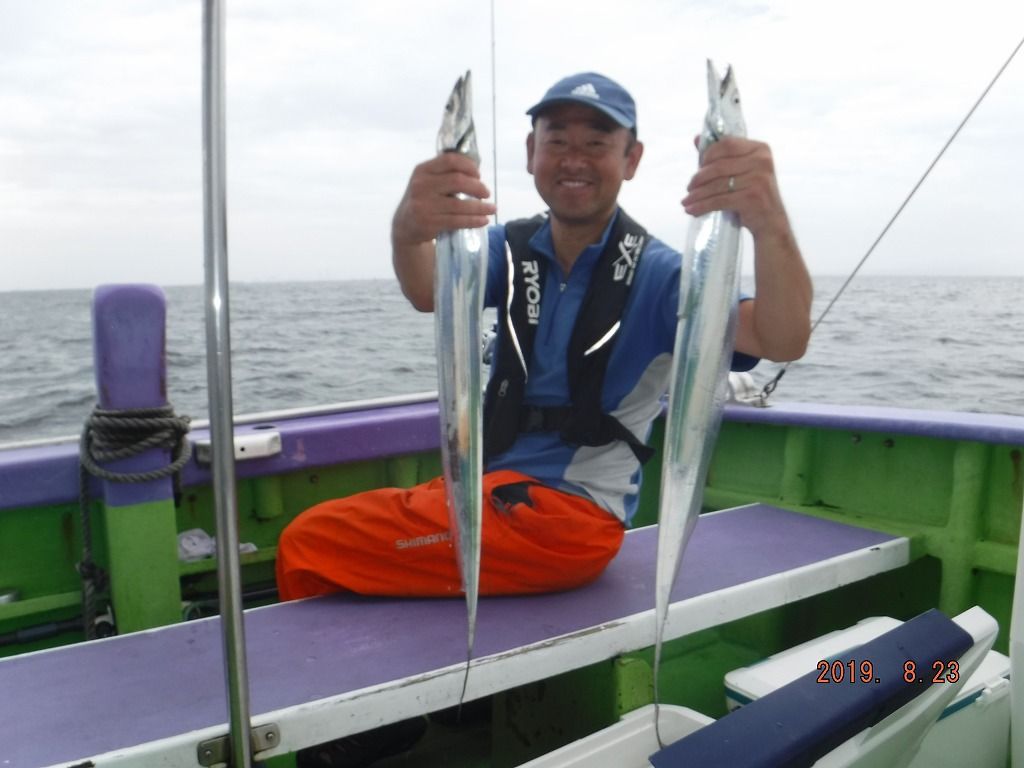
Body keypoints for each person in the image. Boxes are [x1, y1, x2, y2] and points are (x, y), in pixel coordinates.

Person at [276, 70, 811, 600]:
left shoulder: (662, 274)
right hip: (492, 494)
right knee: (347, 542)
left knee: (307, 543)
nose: (574, 160)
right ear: (532, 153)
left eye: (596, 144)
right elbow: (427, 290)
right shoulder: (509, 249)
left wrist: (769, 223)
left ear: (631, 159)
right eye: (557, 141)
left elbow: (781, 338)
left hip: (567, 519)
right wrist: (407, 230)